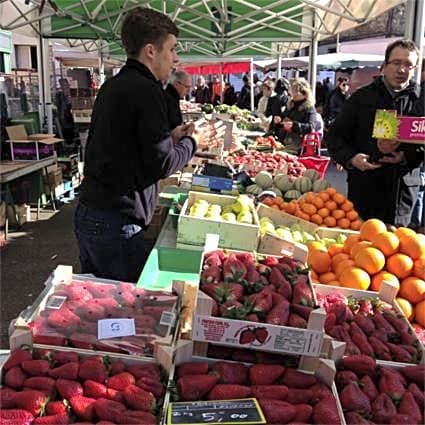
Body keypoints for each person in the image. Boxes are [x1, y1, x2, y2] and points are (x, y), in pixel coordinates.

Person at [74, 7, 206, 282]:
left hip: (92, 213)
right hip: (116, 221)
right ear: (150, 51)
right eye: (171, 49)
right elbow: (163, 164)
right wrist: (194, 142)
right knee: (122, 310)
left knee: (97, 306)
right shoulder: (147, 91)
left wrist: (171, 138)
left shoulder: (114, 85)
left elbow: (123, 146)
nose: (175, 59)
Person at [327, 39, 424, 226]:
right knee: (362, 249)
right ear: (384, 66)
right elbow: (334, 137)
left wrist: (406, 156)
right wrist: (352, 158)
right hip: (366, 190)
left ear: (414, 69)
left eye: (408, 65)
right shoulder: (361, 98)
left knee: (399, 250)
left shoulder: (420, 100)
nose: (402, 70)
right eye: (396, 63)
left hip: (402, 197)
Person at [273, 78, 320, 155]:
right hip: (284, 141)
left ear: (304, 93)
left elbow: (311, 127)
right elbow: (283, 118)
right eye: (292, 91)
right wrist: (279, 120)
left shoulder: (309, 108)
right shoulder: (290, 104)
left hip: (299, 146)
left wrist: (294, 125)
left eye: (296, 91)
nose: (293, 94)